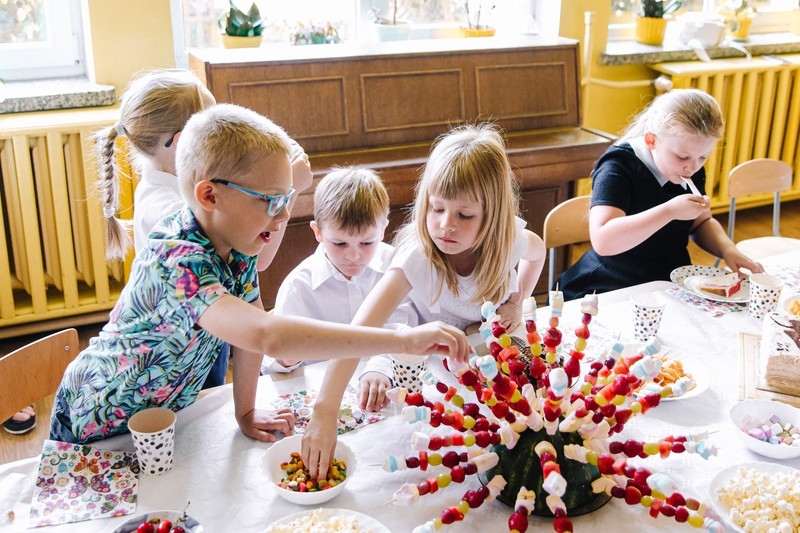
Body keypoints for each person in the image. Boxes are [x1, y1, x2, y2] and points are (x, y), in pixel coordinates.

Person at [48, 103, 470, 445]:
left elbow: (248, 336)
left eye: (286, 199)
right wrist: (401, 338)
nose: (285, 214)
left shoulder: (239, 241)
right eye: (271, 201)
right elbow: (267, 335)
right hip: (95, 422)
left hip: (163, 417)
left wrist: (245, 411)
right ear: (210, 195)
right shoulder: (175, 255)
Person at [300, 122, 547, 479]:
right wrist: (325, 412)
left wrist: (516, 299)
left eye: (464, 215)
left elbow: (536, 256)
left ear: (493, 218)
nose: (446, 225)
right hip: (427, 355)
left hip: (481, 342)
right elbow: (359, 331)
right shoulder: (418, 257)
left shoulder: (509, 239)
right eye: (437, 209)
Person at [94, 67, 313, 388]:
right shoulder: (171, 211)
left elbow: (248, 279)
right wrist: (286, 191)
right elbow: (258, 259)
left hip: (203, 341)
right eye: (214, 120)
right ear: (184, 140)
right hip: (166, 367)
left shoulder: (187, 186)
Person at [557, 88, 764, 301]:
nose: (692, 167)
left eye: (703, 157)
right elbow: (604, 240)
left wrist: (728, 250)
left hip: (669, 281)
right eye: (682, 156)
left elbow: (701, 223)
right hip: (611, 284)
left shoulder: (690, 166)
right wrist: (669, 211)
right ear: (651, 140)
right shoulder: (618, 167)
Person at [262, 167, 419, 401]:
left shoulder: (394, 267)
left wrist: (379, 366)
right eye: (340, 244)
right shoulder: (299, 286)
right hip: (320, 395)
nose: (353, 256)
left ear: (383, 229)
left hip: (384, 388)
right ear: (318, 232)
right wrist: (286, 358)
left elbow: (403, 324)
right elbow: (274, 366)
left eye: (366, 243)